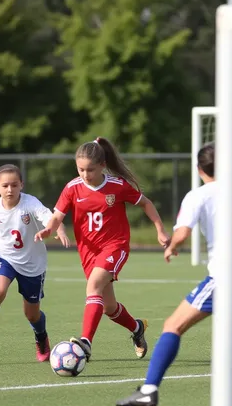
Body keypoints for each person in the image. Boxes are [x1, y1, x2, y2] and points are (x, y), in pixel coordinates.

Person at [116, 144, 232, 406]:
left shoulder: (200, 195)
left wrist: (172, 246)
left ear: (200, 170)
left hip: (228, 275)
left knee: (172, 326)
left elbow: (182, 232)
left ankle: (148, 390)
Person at [34, 137, 170, 361]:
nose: (85, 174)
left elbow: (146, 203)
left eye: (90, 169)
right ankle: (137, 328)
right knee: (108, 307)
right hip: (88, 252)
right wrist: (49, 229)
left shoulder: (117, 186)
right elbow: (57, 216)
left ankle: (85, 342)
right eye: (80, 169)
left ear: (103, 165)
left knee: (93, 286)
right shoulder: (72, 188)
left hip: (115, 247)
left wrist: (160, 230)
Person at [0, 164, 70, 361]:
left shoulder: (30, 203)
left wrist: (59, 230)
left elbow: (51, 219)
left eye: (14, 185)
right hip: (4, 257)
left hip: (32, 264)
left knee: (31, 315)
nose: (10, 190)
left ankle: (41, 336)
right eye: (5, 185)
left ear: (21, 185)